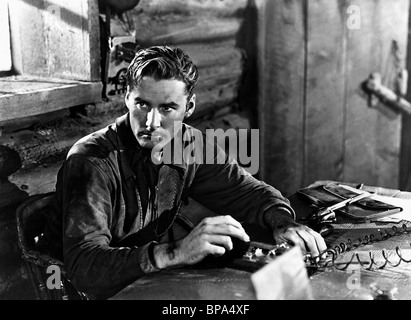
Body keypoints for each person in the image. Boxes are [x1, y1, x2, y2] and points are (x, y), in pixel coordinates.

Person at [44, 45, 327, 299]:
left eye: (167, 107)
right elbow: (84, 268)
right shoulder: (91, 161)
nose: (152, 122)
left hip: (147, 276)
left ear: (189, 107)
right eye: (143, 104)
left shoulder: (188, 143)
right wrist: (177, 252)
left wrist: (282, 222)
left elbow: (246, 191)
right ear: (127, 98)